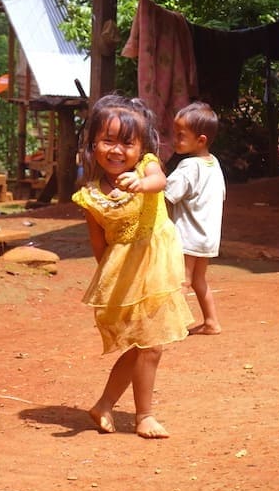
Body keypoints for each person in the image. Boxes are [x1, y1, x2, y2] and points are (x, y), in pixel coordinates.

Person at [72, 94, 193, 439]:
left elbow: (160, 182)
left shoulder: (147, 168)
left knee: (150, 344)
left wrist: (140, 184)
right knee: (145, 345)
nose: (117, 150)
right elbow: (100, 246)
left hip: (158, 267)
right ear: (93, 143)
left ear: (141, 147)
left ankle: (134, 413)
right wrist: (113, 285)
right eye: (108, 140)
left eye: (127, 142)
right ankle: (120, 409)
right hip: (125, 277)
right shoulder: (91, 196)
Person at [164, 102, 226, 335]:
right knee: (198, 279)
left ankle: (172, 325)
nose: (175, 139)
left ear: (200, 140)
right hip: (208, 236)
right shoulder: (214, 163)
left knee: (182, 280)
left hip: (188, 236)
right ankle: (211, 322)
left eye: (181, 135)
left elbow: (167, 195)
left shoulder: (188, 166)